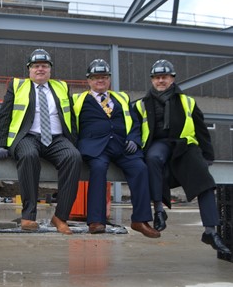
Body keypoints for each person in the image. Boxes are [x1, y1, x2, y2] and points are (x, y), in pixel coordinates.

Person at [135, 59, 231, 253]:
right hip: (158, 144)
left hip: (184, 144)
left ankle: (210, 231)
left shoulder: (187, 101)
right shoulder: (141, 104)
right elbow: (134, 130)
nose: (161, 81)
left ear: (172, 78)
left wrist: (207, 156)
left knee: (204, 179)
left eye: (165, 77)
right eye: (157, 77)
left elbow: (201, 130)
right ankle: (159, 212)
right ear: (152, 80)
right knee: (153, 159)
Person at [0, 49, 82, 234]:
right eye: (36, 66)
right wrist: (1, 143)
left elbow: (71, 117)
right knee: (28, 156)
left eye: (44, 66)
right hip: (28, 137)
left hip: (57, 138)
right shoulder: (17, 85)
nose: (40, 69)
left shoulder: (61, 87)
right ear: (29, 69)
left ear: (50, 70)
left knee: (73, 157)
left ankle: (60, 217)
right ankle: (28, 216)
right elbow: (4, 115)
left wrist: (74, 143)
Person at [72, 59, 160, 238]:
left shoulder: (122, 97)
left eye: (104, 77)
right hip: (95, 147)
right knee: (97, 169)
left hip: (122, 146)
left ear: (109, 79)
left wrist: (134, 140)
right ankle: (96, 221)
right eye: (96, 77)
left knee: (140, 168)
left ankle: (140, 220)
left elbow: (134, 121)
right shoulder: (77, 99)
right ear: (88, 80)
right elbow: (70, 125)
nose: (100, 81)